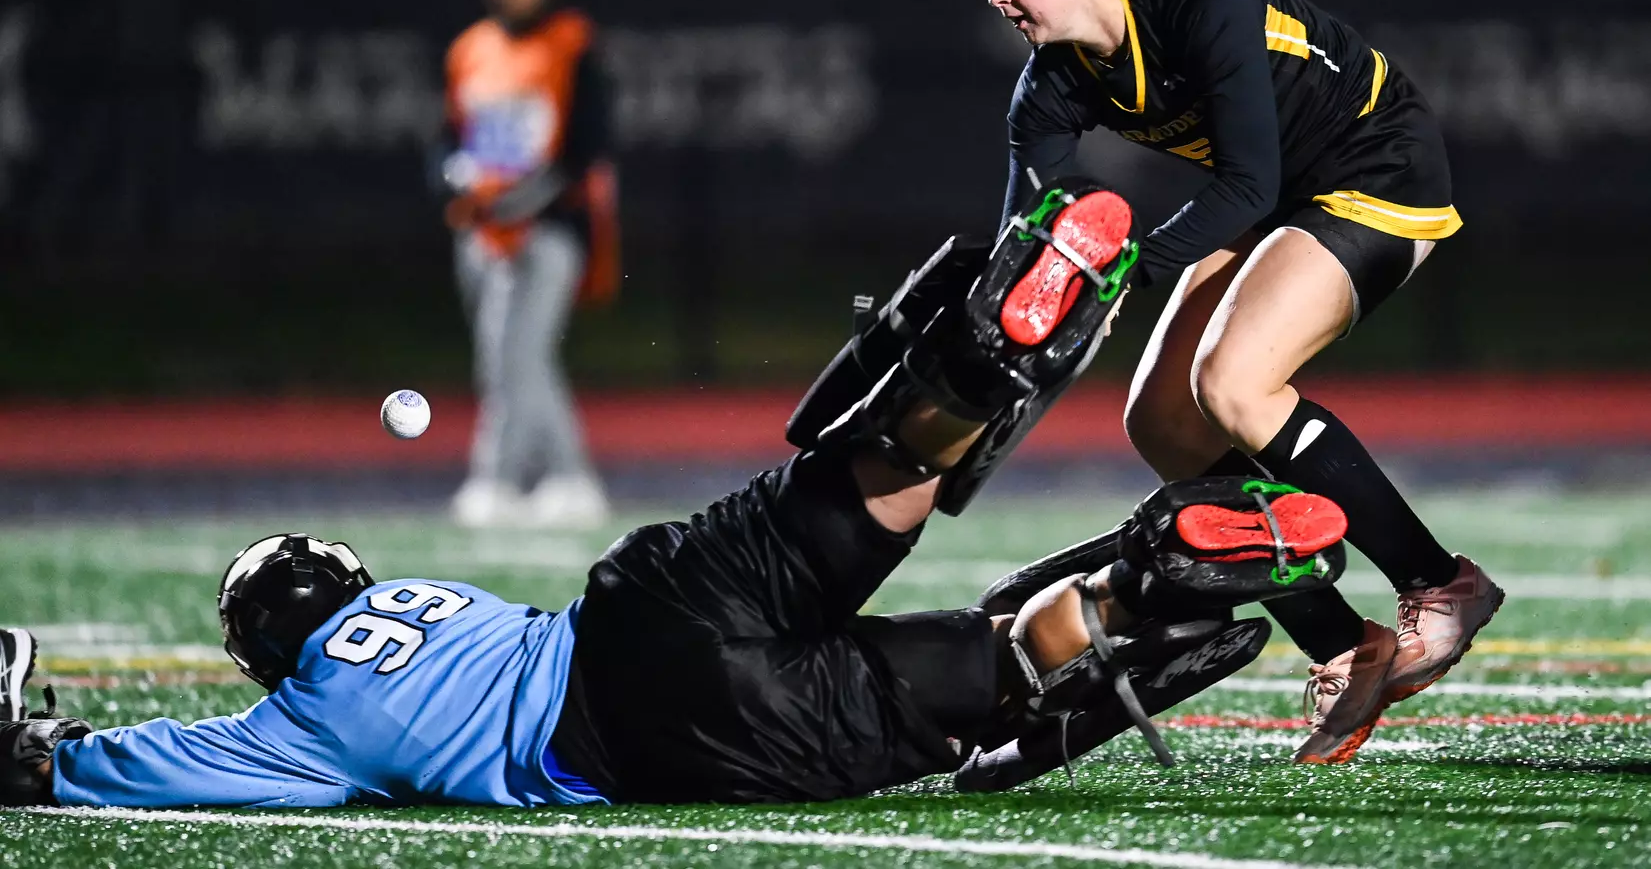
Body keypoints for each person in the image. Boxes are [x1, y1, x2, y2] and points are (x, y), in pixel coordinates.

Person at [0, 191, 1354, 809]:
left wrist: (49, 761)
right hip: (630, 610)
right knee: (870, 475)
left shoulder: (309, 718)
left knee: (1001, 669)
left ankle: (1145, 578)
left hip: (644, 732)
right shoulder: (424, 600)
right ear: (349, 583)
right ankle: (975, 356)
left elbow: (159, 764)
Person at [976, 0, 1504, 764]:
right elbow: (1029, 244)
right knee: (1165, 428)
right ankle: (1345, 643)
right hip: (1281, 197)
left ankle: (1440, 583)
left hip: (1376, 167)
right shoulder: (1048, 89)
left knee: (1233, 386)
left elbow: (1247, 189)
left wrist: (1127, 270)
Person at [438, 0, 620, 529]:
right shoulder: (470, 49)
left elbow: (586, 147)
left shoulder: (571, 41)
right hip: (483, 237)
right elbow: (449, 141)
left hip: (546, 233)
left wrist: (516, 206)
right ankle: (571, 478)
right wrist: (457, 187)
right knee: (521, 358)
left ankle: (496, 481)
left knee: (511, 356)